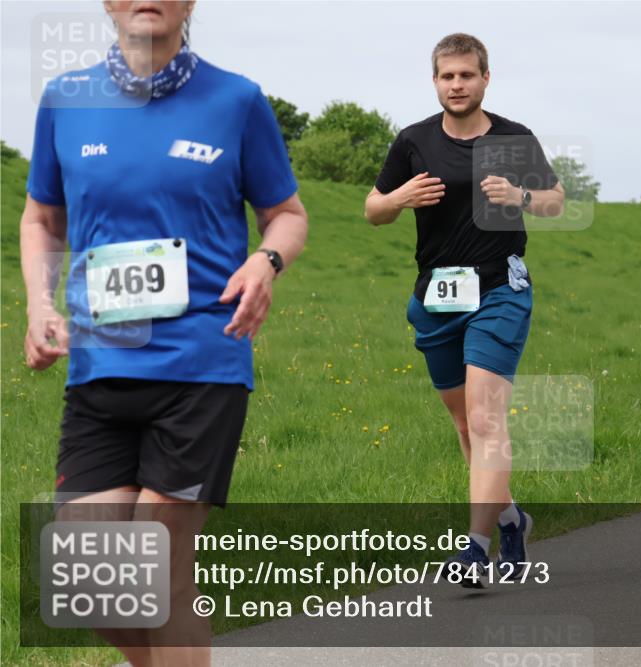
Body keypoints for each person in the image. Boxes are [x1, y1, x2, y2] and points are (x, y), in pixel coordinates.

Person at [21, 1, 307, 663]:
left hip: (202, 363)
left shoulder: (236, 100)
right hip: (99, 367)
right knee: (92, 583)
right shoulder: (66, 99)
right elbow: (41, 218)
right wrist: (38, 303)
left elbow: (287, 214)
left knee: (158, 564)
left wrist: (266, 261)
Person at [364, 33, 564, 586]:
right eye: (447, 76)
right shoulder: (413, 141)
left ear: (485, 79)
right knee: (464, 425)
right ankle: (511, 519)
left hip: (500, 288)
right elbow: (373, 210)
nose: (457, 85)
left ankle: (475, 549)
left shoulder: (514, 138)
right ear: (435, 82)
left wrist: (521, 198)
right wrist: (398, 199)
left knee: (484, 417)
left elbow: (555, 201)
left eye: (467, 75)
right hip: (436, 296)